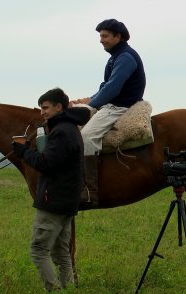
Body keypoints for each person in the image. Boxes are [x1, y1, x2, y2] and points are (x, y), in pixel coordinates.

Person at [11, 88, 90, 292]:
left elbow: (46, 163)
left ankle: (54, 292)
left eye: (45, 108)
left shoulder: (62, 131)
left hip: (53, 201)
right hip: (68, 201)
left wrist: (24, 152)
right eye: (40, 108)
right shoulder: (71, 128)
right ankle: (69, 290)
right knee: (61, 251)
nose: (42, 113)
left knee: (38, 250)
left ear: (58, 107)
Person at [71, 18, 146, 206]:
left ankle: (89, 191)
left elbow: (112, 89)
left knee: (87, 136)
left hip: (119, 106)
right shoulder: (116, 56)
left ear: (117, 36)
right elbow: (106, 86)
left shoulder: (125, 57)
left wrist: (90, 106)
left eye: (104, 36)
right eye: (100, 36)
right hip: (114, 103)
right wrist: (88, 100)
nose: (101, 40)